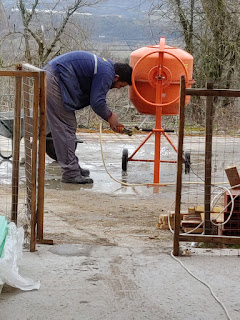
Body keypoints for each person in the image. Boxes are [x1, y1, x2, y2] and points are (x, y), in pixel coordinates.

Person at [43, 51, 132, 184]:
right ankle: (70, 173)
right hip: (54, 79)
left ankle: (73, 168)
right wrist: (111, 117)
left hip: (52, 75)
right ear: (117, 77)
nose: (118, 89)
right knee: (65, 127)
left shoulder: (106, 68)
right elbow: (97, 102)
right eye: (121, 86)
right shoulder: (107, 73)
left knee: (68, 126)